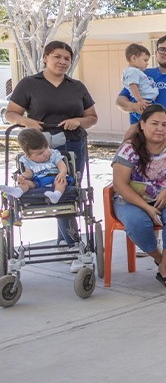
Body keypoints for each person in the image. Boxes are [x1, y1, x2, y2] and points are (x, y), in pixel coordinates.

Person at [5, 40, 98, 271]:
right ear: (45, 57)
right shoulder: (29, 83)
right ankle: (69, 242)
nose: (63, 62)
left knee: (66, 191)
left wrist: (78, 121)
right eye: (57, 56)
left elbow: (92, 117)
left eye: (67, 58)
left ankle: (67, 242)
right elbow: (10, 114)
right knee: (45, 188)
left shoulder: (76, 86)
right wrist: (26, 121)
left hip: (72, 146)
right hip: (40, 148)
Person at [111, 105, 166, 289]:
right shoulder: (128, 148)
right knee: (138, 222)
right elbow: (119, 184)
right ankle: (164, 262)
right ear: (142, 124)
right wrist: (146, 207)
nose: (160, 129)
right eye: (154, 124)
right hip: (131, 200)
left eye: (164, 124)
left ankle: (163, 266)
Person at [0, 128, 75, 204]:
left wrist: (62, 173)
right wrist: (23, 177)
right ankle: (18, 191)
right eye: (40, 153)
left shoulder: (53, 154)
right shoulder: (26, 160)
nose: (45, 153)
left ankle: (56, 195)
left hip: (55, 177)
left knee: (60, 182)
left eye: (46, 148)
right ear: (28, 156)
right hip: (38, 181)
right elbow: (29, 173)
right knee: (26, 183)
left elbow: (61, 165)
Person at [121, 43, 158, 116]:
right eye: (145, 60)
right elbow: (133, 86)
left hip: (144, 100)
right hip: (143, 101)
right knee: (149, 121)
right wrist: (139, 100)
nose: (147, 63)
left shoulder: (136, 72)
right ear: (133, 58)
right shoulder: (132, 72)